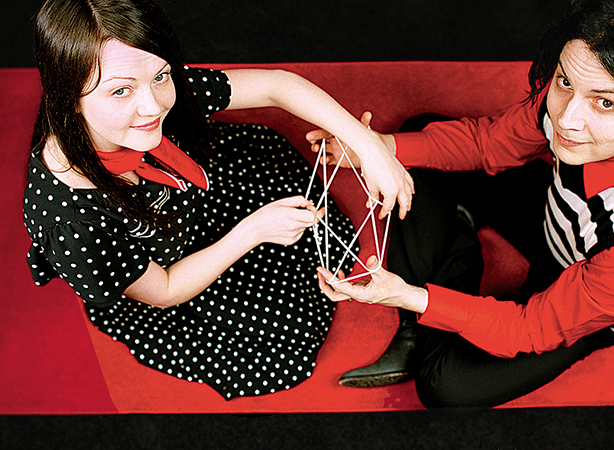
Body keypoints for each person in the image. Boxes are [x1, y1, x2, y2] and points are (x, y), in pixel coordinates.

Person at [313, 0, 614, 407]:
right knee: (411, 141)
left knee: (445, 386)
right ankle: (452, 263)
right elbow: (488, 142)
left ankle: (429, 300)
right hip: (558, 217)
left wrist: (412, 297)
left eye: (605, 102)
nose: (567, 119)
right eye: (565, 82)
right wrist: (371, 148)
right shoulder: (575, 94)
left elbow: (529, 329)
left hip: (599, 297)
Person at [23, 0, 412, 400]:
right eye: (121, 91)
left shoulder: (147, 88)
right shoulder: (72, 225)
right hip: (168, 267)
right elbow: (167, 290)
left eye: (161, 76)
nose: (153, 107)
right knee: (282, 343)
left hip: (196, 195)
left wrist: (371, 148)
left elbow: (276, 85)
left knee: (277, 176)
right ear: (68, 95)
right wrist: (252, 231)